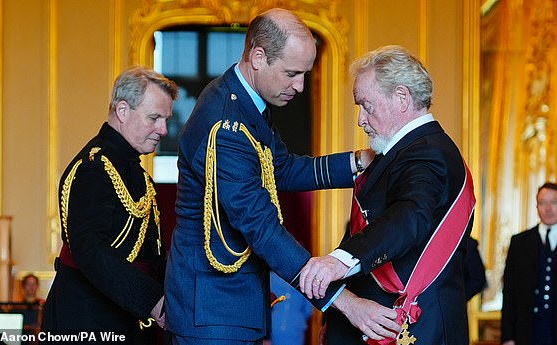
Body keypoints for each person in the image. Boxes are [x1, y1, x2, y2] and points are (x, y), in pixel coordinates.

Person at [164, 8, 369, 345]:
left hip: (230, 306)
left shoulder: (246, 103)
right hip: (215, 313)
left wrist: (358, 162)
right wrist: (344, 301)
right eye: (291, 73)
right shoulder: (227, 123)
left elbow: (281, 170)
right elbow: (261, 228)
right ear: (258, 57)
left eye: (304, 74)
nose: (299, 86)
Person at [299, 45, 476, 345]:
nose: (360, 119)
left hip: (415, 329)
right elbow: (363, 232)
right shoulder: (400, 152)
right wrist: (337, 318)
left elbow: (409, 217)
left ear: (402, 97)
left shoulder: (427, 153)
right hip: (372, 324)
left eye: (366, 105)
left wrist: (338, 262)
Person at [41, 66, 178, 344]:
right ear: (123, 111)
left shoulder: (139, 175)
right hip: (87, 319)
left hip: (131, 319)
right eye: (154, 118)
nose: (163, 130)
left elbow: (153, 256)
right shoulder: (93, 168)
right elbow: (91, 250)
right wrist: (151, 300)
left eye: (166, 120)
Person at [501, 181, 557, 345]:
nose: (548, 208)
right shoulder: (519, 242)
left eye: (553, 202)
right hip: (527, 333)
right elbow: (509, 292)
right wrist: (508, 337)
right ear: (536, 207)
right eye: (542, 203)